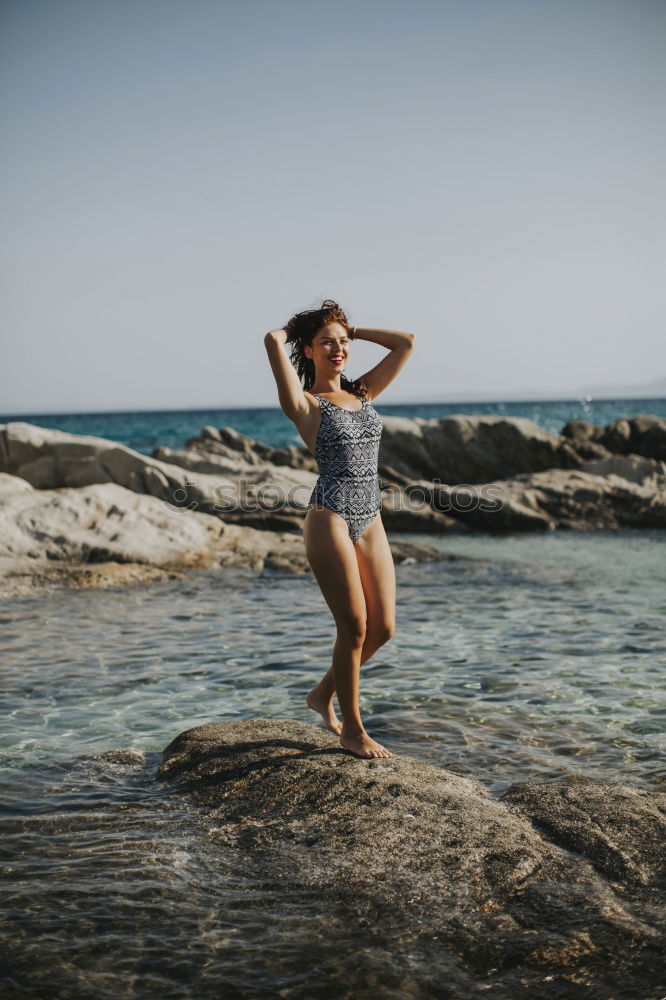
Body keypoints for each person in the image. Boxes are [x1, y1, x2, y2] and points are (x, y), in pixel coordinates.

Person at [264, 299, 416, 759]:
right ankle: (352, 727)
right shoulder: (307, 404)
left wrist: (351, 329)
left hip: (371, 516)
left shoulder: (364, 392)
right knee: (352, 626)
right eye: (327, 342)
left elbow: (406, 343)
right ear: (308, 350)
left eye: (343, 342)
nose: (338, 349)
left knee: (383, 627)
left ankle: (320, 695)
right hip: (329, 514)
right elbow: (273, 341)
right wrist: (292, 333)